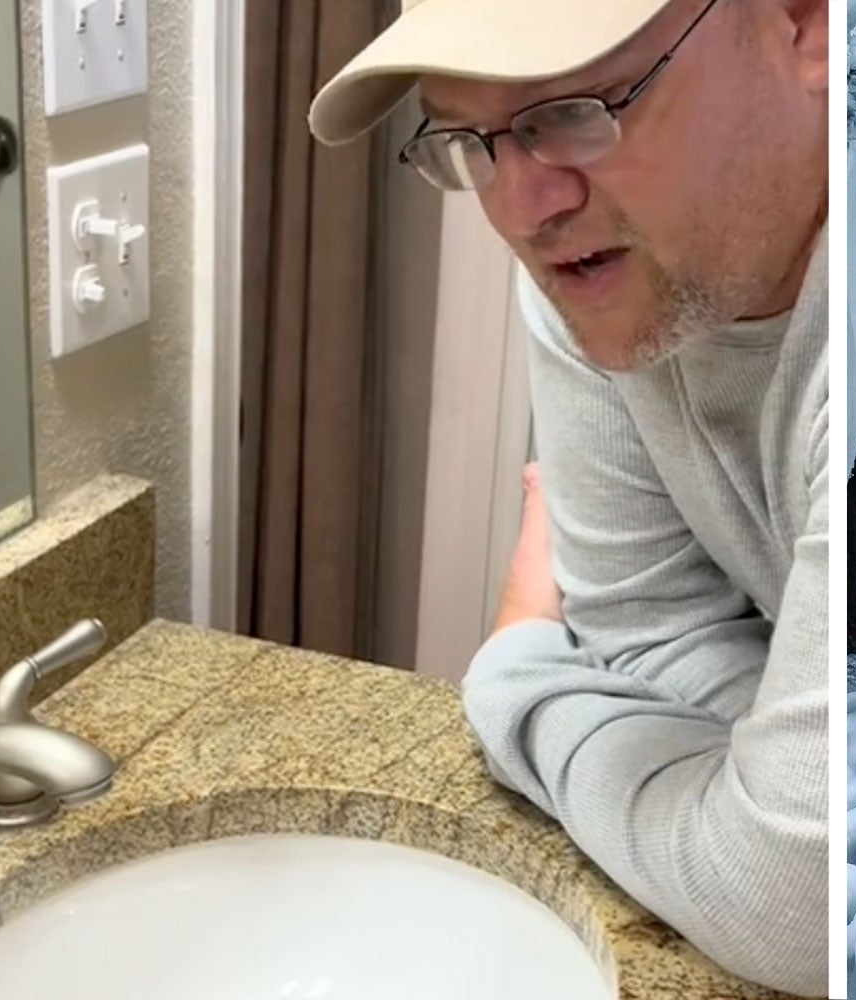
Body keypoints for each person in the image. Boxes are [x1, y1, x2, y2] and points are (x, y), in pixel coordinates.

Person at [308, 0, 829, 993]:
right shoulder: (604, 269)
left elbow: (802, 901)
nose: (520, 208)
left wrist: (512, 667)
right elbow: (645, 629)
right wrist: (756, 780)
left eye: (578, 108)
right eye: (471, 137)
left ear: (804, 27)